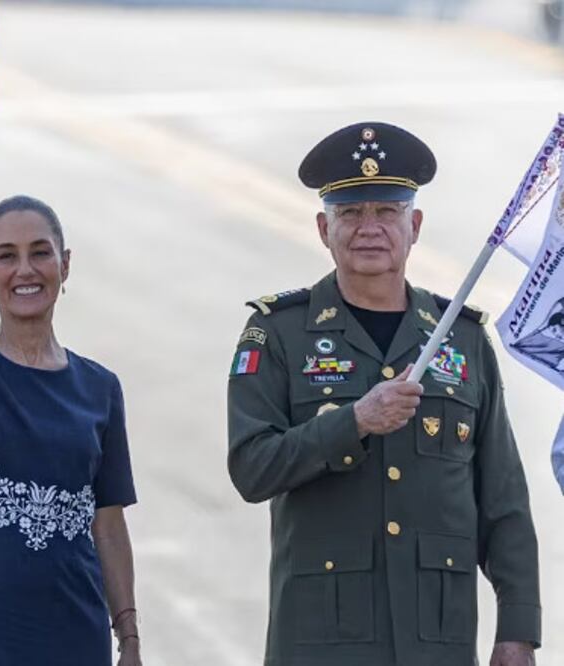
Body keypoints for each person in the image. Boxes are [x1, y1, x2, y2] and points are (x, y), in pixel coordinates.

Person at [226, 123, 541, 666]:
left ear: (413, 225)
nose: (368, 228)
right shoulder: (278, 334)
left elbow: (503, 500)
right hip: (324, 641)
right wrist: (354, 422)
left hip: (435, 642)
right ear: (324, 229)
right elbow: (251, 469)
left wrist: (517, 631)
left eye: (386, 212)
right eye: (350, 213)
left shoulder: (460, 338)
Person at [0, 195, 141, 666]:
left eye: (40, 253)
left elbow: (108, 522)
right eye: (6, 256)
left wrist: (130, 638)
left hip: (72, 633)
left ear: (64, 265)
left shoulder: (99, 388)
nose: (25, 270)